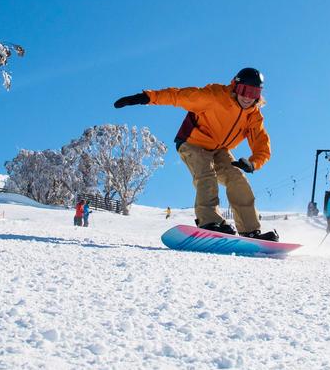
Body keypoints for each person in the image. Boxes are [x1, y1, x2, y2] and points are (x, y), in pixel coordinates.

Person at [114, 67, 277, 241]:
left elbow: (262, 147)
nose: (247, 97)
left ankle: (250, 230)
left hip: (219, 149)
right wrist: (147, 97)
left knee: (237, 179)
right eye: (244, 90)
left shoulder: (254, 117)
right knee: (206, 174)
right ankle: (209, 222)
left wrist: (253, 163)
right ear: (235, 87)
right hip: (192, 142)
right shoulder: (214, 96)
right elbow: (179, 96)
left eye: (254, 92)